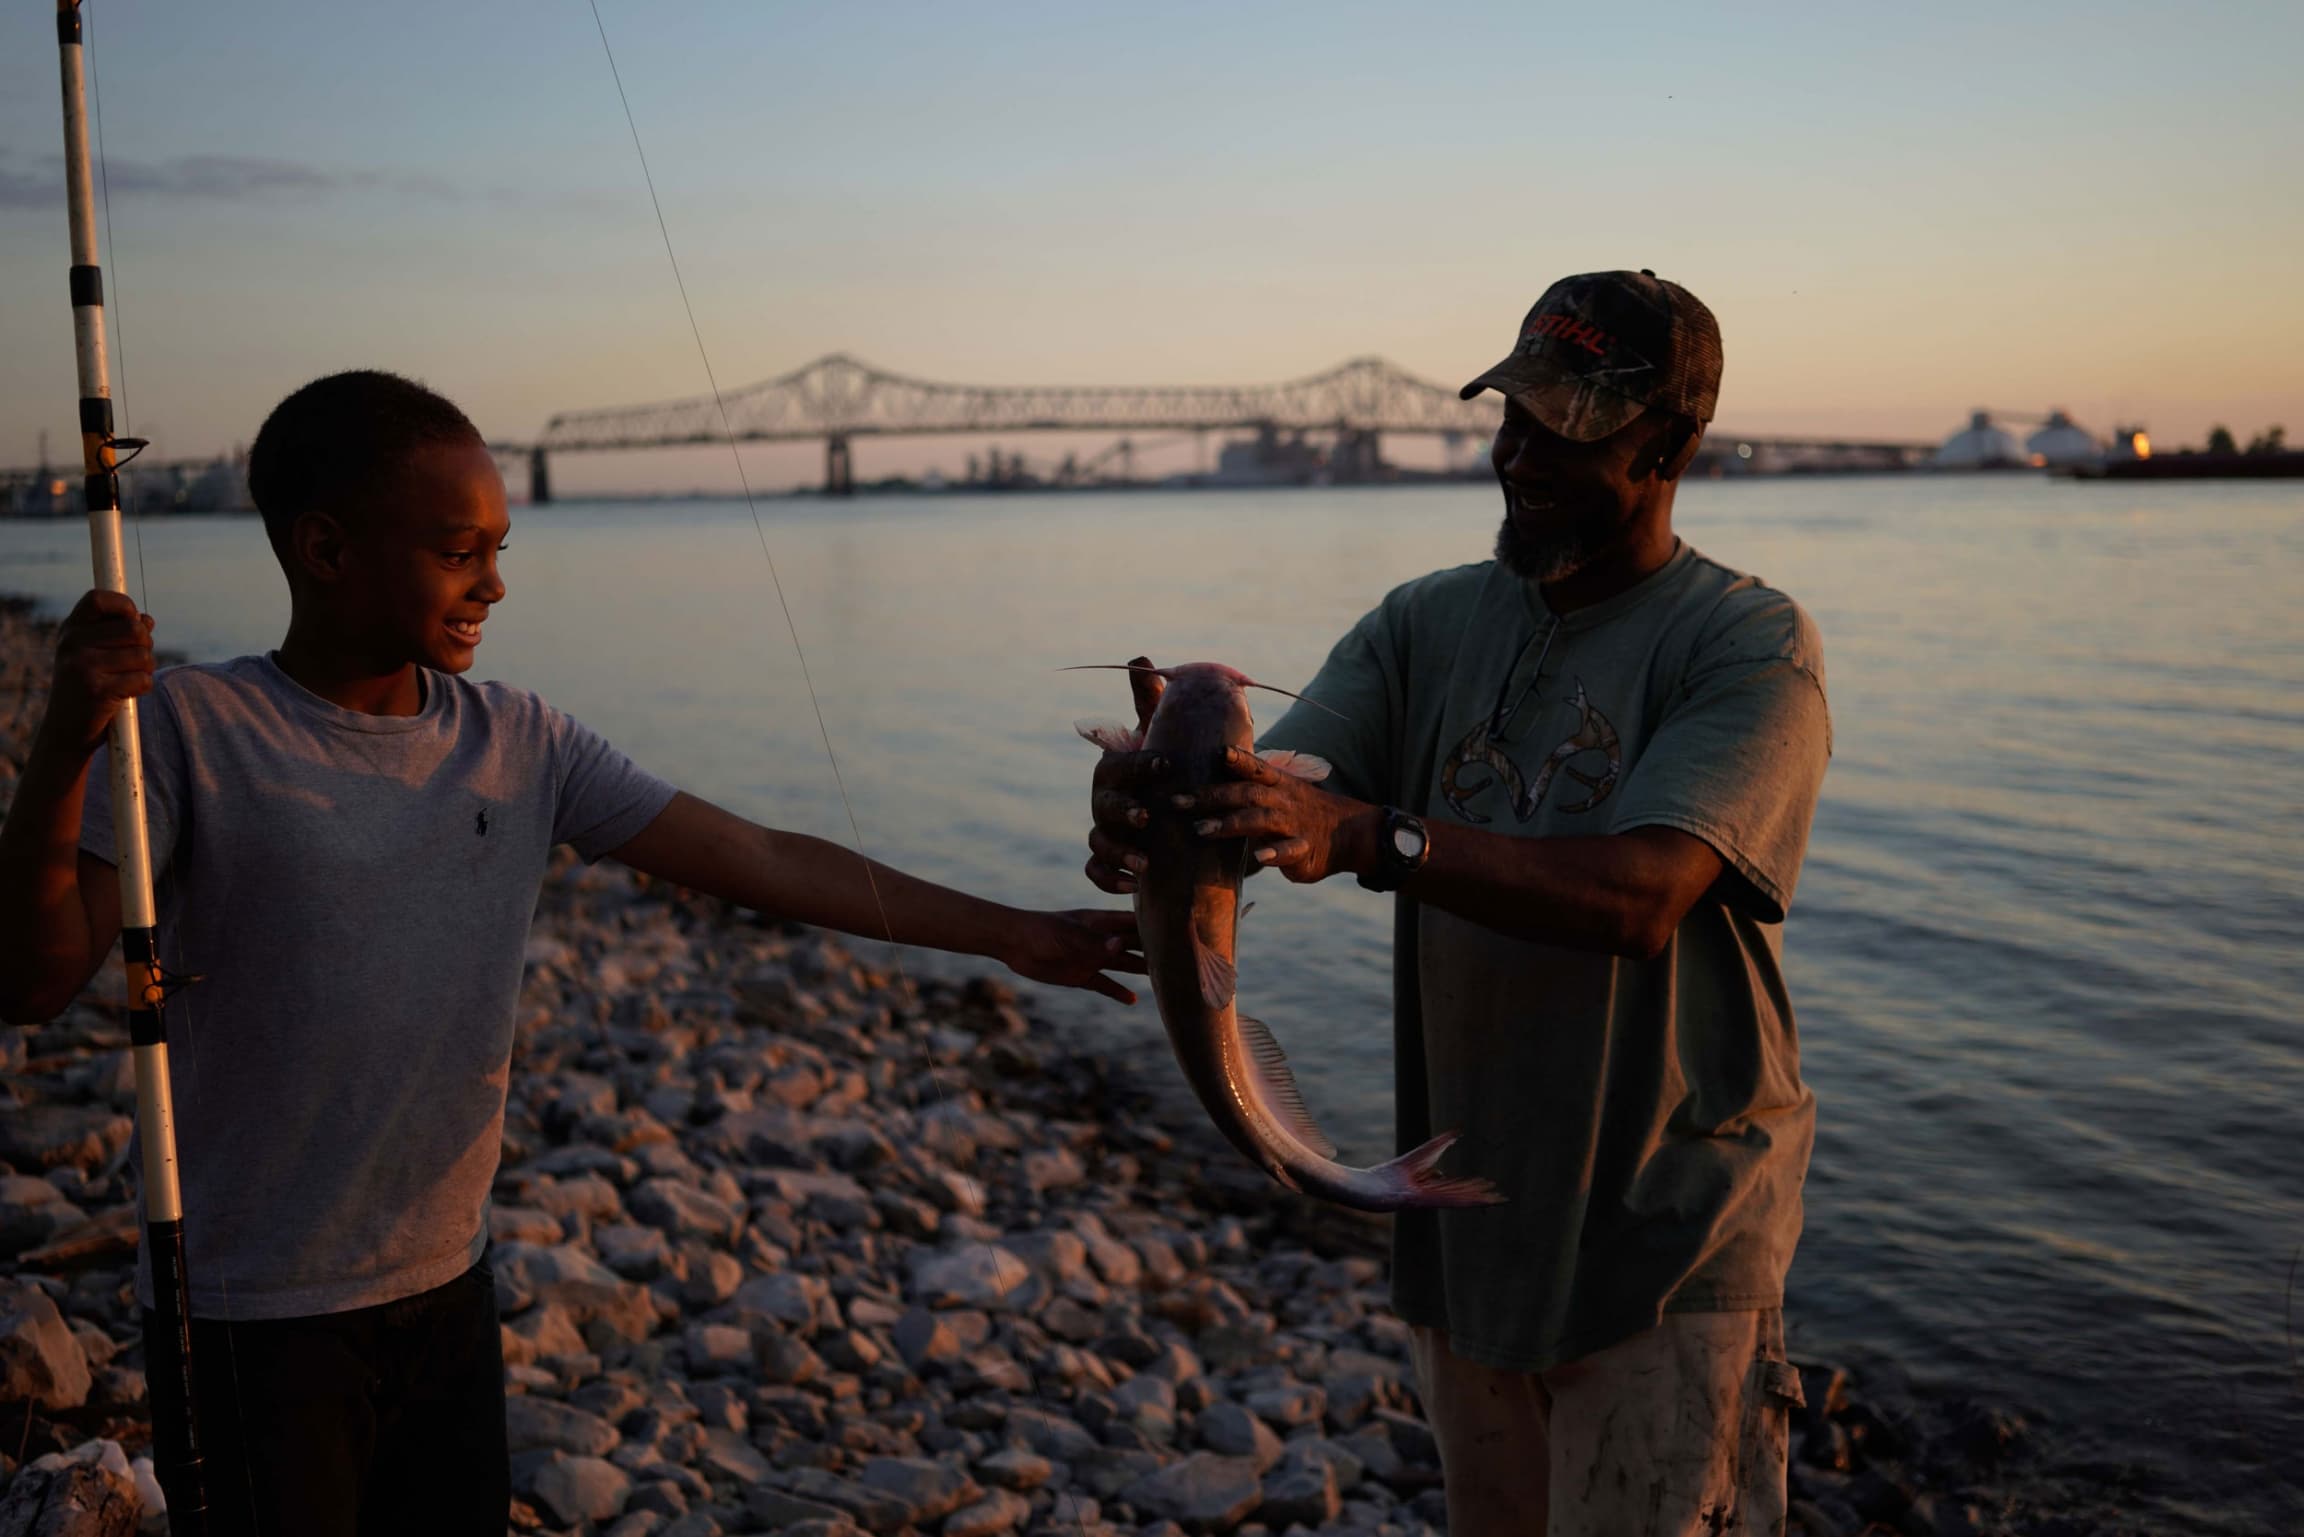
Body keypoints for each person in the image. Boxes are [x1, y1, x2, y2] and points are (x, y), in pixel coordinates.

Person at [0, 369, 1145, 1536]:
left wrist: (1018, 933)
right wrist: (63, 742)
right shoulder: (191, 731)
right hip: (247, 1316)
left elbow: (764, 855)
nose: (496, 581)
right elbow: (35, 980)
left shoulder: (522, 741)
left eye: (499, 546)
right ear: (326, 549)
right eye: (460, 551)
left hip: (445, 1288)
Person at [1085, 271, 1830, 1536]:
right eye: (1513, 417)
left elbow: (1644, 894)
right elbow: (1289, 794)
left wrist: (1380, 837)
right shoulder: (1423, 623)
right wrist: (1167, 807)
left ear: (1669, 445)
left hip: (1673, 1246)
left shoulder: (1746, 643)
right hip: (1466, 1223)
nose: (1520, 457)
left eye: (1569, 431)